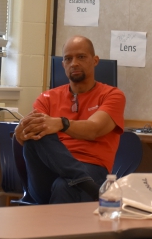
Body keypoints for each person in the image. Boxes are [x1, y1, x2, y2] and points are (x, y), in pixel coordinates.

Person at [15, 36, 125, 204]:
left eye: (81, 57)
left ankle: (80, 182)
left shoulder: (112, 95)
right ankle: (84, 182)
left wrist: (61, 123)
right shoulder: (47, 98)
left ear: (95, 61)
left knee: (64, 185)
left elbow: (94, 129)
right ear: (63, 65)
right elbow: (31, 134)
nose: (74, 63)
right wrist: (20, 133)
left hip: (92, 168)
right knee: (35, 137)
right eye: (68, 58)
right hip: (51, 174)